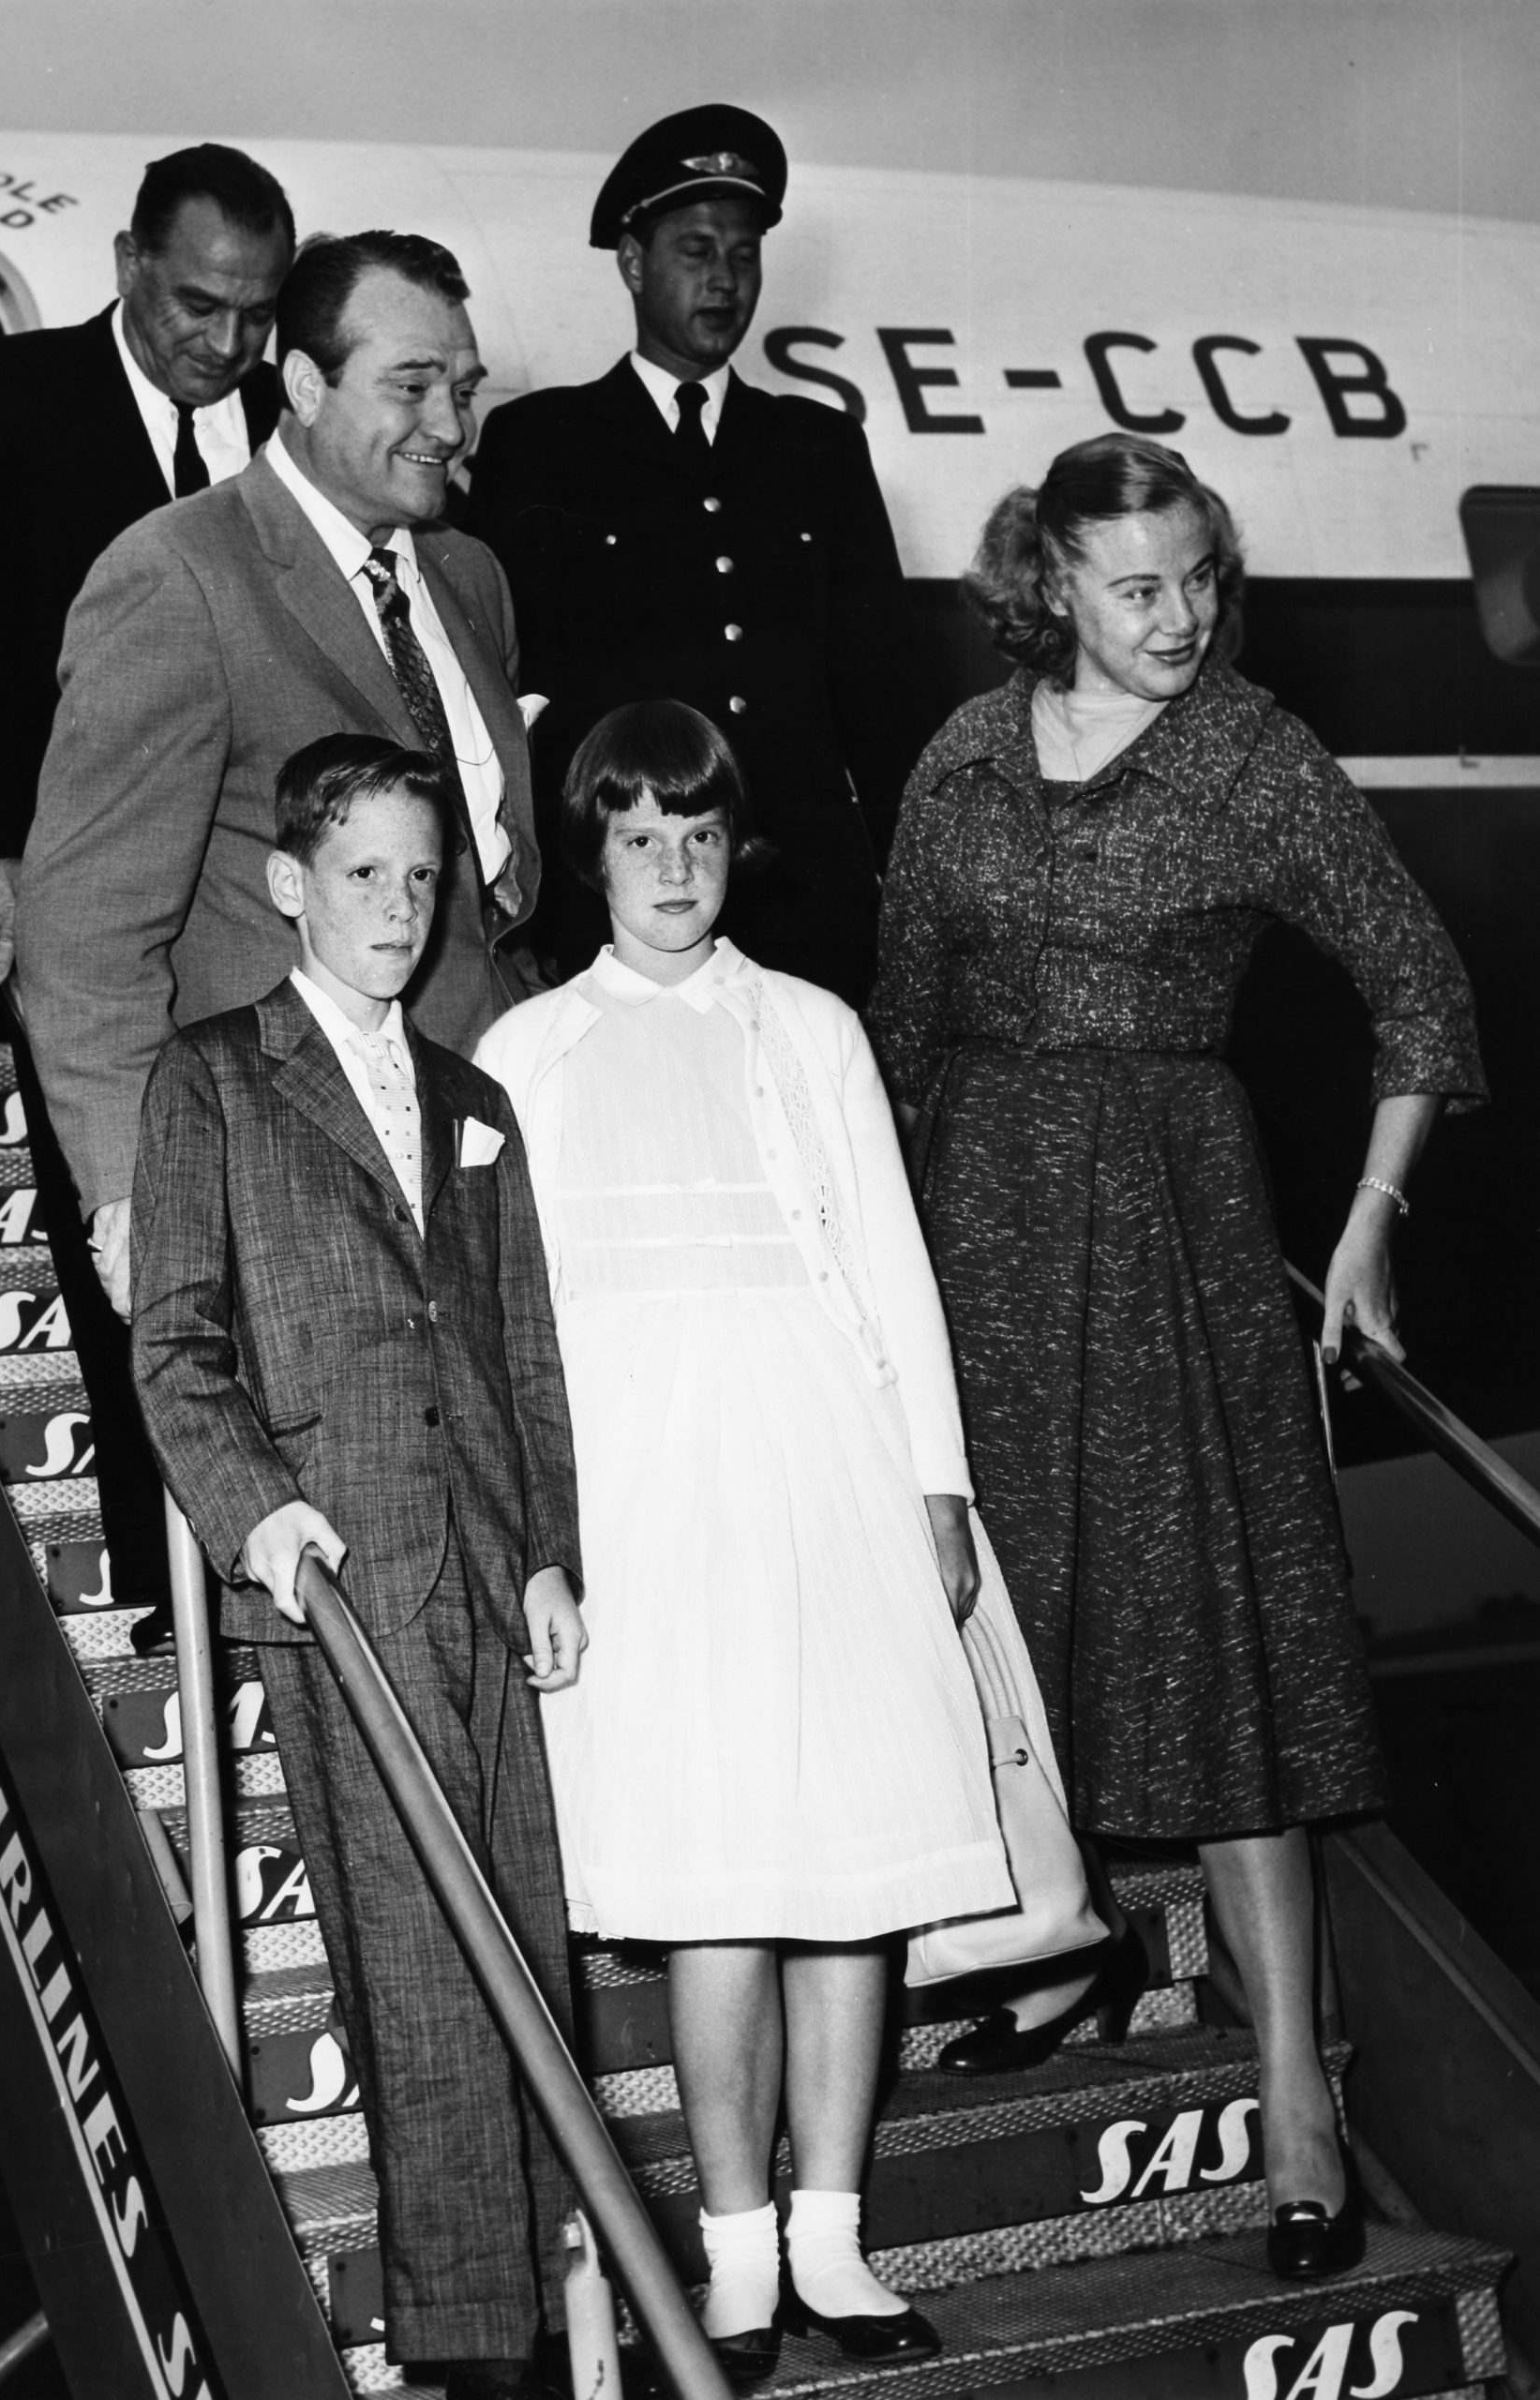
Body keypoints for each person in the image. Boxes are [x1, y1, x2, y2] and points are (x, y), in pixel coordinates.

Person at [867, 432, 1487, 2281]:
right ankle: (1037, 1963)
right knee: (988, 1634)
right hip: (970, 1220)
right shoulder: (959, 755)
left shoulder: (1246, 752)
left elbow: (1417, 983)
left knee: (1217, 1658)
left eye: (1197, 578)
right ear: (1044, 580)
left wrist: (1367, 1216)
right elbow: (896, 1025)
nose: (1177, 617)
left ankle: (1295, 2093)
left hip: (1169, 1235)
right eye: (1135, 584)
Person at [477, 700, 1060, 2385]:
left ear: (739, 849)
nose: (672, 869)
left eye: (702, 836)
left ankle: (830, 2234)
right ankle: (735, 2254)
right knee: (712, 1879)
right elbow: (523, 1327)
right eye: (638, 837)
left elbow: (890, 1265)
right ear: (587, 854)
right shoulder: (529, 1058)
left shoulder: (810, 1029)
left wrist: (933, 1489)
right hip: (650, 1507)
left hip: (829, 1481)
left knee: (846, 1874)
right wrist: (550, 1533)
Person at [127, 733, 584, 2394]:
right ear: (288, 887)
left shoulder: (476, 1100)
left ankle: (549, 2300)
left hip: (477, 1569)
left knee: (523, 1937)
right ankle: (473, 2346)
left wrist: (547, 1556)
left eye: (421, 875)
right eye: (365, 876)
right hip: (336, 1582)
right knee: (414, 1960)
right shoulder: (217, 1076)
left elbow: (521, 1355)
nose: (400, 908)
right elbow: (175, 1347)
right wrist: (256, 1509)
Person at [0, 142, 294, 1628]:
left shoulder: (288, 423)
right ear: (128, 262)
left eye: (255, 314)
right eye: (198, 305)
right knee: (130, 1248)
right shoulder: (6, 403)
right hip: (91, 912)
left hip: (251, 922)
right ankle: (148, 1582)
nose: (227, 345)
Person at [18, 230, 545, 1342]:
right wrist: (134, 1198)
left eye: (461, 387)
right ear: (303, 384)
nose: (448, 426)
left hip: (487, 1159)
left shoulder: (470, 574)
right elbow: (84, 935)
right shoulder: (176, 577)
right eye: (410, 386)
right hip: (291, 1190)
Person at [464, 106, 925, 1005]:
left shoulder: (819, 447)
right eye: (696, 250)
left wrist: (909, 898)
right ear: (633, 263)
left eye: (744, 253)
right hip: (621, 897)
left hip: (804, 904)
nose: (724, 279)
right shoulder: (542, 444)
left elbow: (882, 698)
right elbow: (509, 694)